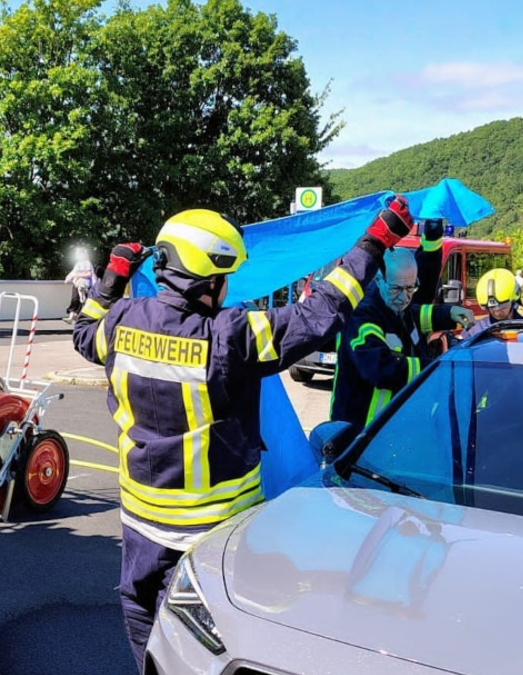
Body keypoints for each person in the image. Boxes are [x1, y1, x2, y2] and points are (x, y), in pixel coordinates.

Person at [72, 198, 417, 671]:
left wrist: (113, 277)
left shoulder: (121, 321)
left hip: (140, 525)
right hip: (213, 530)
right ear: (210, 281)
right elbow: (321, 313)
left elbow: (83, 331)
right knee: (208, 647)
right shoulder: (230, 336)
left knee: (142, 618)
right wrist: (374, 242)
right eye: (225, 278)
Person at [330, 247, 475, 429]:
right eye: (396, 289)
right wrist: (435, 367)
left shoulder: (394, 304)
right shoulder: (362, 315)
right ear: (378, 280)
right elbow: (381, 369)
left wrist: (449, 313)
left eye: (410, 288)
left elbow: (413, 315)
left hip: (390, 428)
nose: (403, 298)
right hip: (359, 433)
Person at [459, 268, 523, 339]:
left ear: (514, 301)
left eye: (502, 306)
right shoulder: (474, 330)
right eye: (491, 307)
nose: (497, 313)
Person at [63, 246, 95, 323]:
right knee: (75, 299)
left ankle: (75, 317)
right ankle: (72, 317)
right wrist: (68, 278)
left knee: (81, 300)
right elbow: (73, 272)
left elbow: (89, 274)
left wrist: (76, 276)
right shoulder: (78, 263)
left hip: (84, 284)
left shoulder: (87, 263)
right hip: (76, 284)